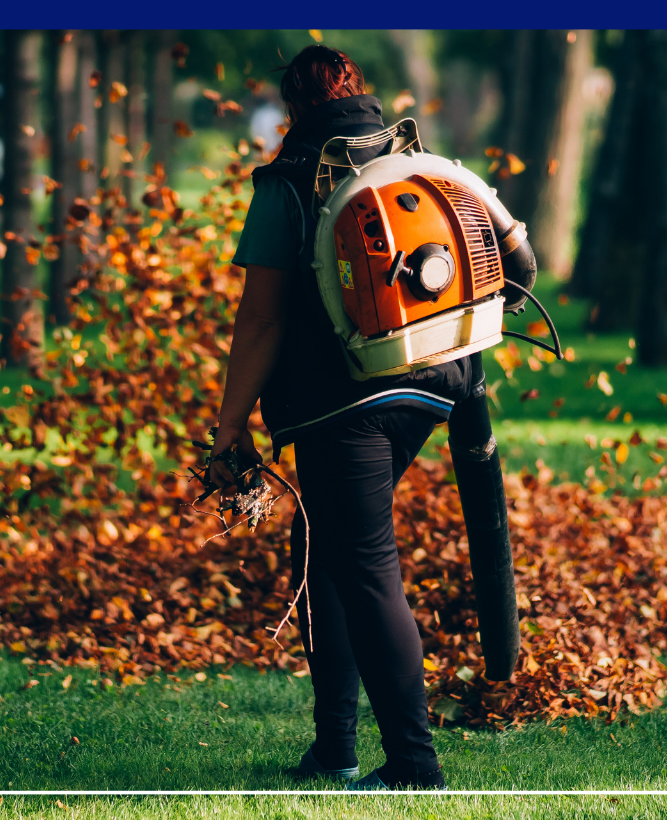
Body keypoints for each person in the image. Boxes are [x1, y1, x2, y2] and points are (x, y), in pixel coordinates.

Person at [207, 45, 480, 792]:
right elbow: (509, 262)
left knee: (364, 567)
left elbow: (259, 322)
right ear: (359, 93)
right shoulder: (416, 163)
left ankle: (415, 766)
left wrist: (230, 427)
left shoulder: (289, 182)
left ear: (293, 108)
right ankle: (334, 748)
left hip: (345, 404)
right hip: (432, 385)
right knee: (323, 545)